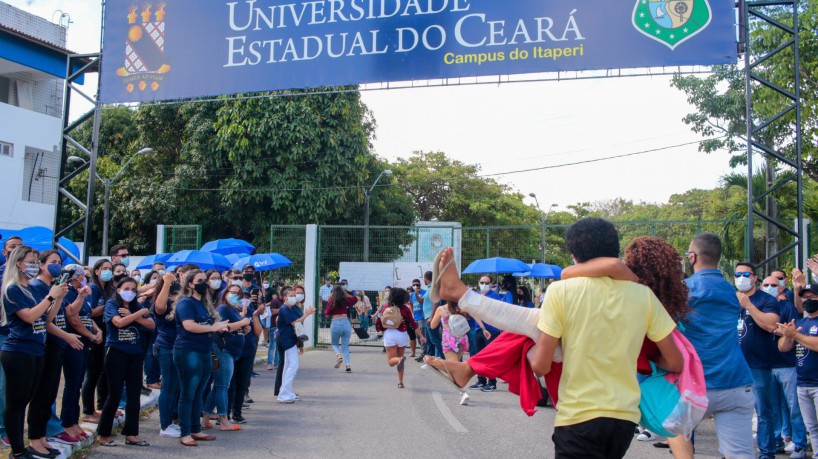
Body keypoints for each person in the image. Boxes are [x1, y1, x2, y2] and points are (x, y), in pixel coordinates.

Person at [427, 218, 682, 458]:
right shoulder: (644, 296)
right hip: (623, 420)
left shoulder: (562, 291)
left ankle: (462, 297)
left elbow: (540, 365)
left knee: (529, 331)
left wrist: (532, 354)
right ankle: (462, 302)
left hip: (578, 417)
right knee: (530, 326)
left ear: (574, 256)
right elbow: (675, 362)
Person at [682, 233, 756, 458]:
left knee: (681, 446)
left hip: (694, 385)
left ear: (692, 257)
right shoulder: (733, 293)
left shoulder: (683, 290)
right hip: (736, 381)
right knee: (740, 454)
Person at [1, 246, 67, 459]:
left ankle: (28, 445)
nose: (34, 265)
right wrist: (50, 297)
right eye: (30, 261)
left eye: (35, 261)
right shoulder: (13, 289)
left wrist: (56, 298)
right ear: (19, 263)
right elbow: (29, 317)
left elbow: (46, 319)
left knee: (28, 399)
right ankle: (18, 451)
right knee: (17, 403)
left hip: (37, 349)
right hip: (19, 350)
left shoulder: (28, 287)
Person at [735, 262, 799, 459]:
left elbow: (771, 325)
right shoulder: (730, 299)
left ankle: (766, 453)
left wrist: (748, 306)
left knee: (764, 412)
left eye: (746, 274)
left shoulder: (766, 300)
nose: (741, 277)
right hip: (735, 366)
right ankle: (735, 452)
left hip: (759, 365)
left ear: (755, 277)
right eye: (737, 274)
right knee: (734, 414)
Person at [29, 251, 85, 447]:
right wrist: (66, 336)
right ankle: (38, 437)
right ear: (41, 265)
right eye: (53, 262)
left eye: (60, 262)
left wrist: (60, 296)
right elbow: (43, 320)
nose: (57, 266)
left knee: (51, 393)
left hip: (58, 345)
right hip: (47, 344)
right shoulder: (36, 287)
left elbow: (57, 315)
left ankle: (45, 435)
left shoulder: (56, 287)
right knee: (42, 394)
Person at [96, 277, 154, 447]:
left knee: (134, 395)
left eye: (133, 289)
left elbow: (150, 324)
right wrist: (137, 315)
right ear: (118, 290)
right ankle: (104, 433)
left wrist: (134, 315)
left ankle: (131, 433)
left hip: (135, 354)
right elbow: (118, 323)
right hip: (116, 353)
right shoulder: (112, 305)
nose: (130, 292)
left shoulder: (137, 306)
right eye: (126, 288)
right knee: (114, 394)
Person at [174, 270, 229, 447]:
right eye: (200, 281)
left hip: (204, 349)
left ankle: (195, 428)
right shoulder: (185, 303)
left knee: (199, 392)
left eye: (205, 280)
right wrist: (213, 328)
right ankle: (185, 433)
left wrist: (217, 328)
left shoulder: (204, 303)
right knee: (188, 393)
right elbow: (189, 326)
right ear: (190, 284)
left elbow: (206, 325)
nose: (204, 283)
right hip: (188, 351)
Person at [62, 265, 103, 441]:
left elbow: (88, 317)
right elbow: (73, 317)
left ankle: (74, 420)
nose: (85, 278)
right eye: (82, 275)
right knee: (72, 383)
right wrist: (90, 335)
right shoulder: (70, 293)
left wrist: (97, 330)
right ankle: (67, 423)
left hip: (86, 342)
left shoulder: (82, 293)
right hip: (75, 342)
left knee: (78, 382)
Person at [203, 284, 251, 432]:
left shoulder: (233, 310)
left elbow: (234, 328)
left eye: (239, 293)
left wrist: (243, 327)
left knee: (218, 385)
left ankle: (205, 418)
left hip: (228, 351)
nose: (236, 295)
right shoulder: (223, 308)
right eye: (233, 292)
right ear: (225, 293)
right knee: (223, 385)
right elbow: (223, 327)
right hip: (222, 351)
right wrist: (243, 322)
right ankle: (223, 419)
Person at [779, 284, 818, 458]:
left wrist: (795, 335)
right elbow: (783, 348)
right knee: (812, 427)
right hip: (803, 383)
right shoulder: (801, 322)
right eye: (805, 297)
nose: (808, 300)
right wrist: (788, 335)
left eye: (812, 297)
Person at [82, 258, 114, 423]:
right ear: (97, 271)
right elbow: (89, 312)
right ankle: (88, 410)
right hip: (95, 334)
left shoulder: (108, 289)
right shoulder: (93, 288)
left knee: (103, 371)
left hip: (106, 334)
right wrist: (108, 306)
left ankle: (102, 406)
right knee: (92, 373)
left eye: (110, 268)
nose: (108, 271)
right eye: (105, 268)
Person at [151, 272, 181, 438]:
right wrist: (167, 282)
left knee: (174, 387)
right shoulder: (162, 303)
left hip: (178, 348)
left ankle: (169, 422)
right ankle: (164, 425)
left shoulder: (178, 303)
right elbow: (160, 307)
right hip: (166, 347)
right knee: (168, 387)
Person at [375, 288, 426, 389]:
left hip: (389, 334)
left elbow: (381, 321)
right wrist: (421, 336)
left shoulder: (386, 307)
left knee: (391, 361)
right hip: (402, 335)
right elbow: (413, 323)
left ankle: (399, 359)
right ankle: (400, 382)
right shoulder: (405, 309)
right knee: (400, 362)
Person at [277, 288, 315, 402]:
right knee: (293, 365)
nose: (295, 297)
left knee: (288, 366)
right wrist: (307, 314)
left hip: (292, 339)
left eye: (295, 295)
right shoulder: (284, 309)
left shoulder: (292, 308)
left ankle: (286, 392)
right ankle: (283, 394)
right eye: (292, 295)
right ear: (285, 298)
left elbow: (298, 320)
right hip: (287, 340)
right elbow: (295, 323)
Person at [429, 300, 470, 405]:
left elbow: (433, 326)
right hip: (462, 339)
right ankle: (436, 363)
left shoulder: (441, 309)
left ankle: (463, 393)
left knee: (453, 369)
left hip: (449, 340)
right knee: (457, 365)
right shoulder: (462, 307)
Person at [469, 275, 503, 393]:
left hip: (491, 330)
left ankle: (492, 382)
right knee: (479, 356)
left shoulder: (494, 297)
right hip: (478, 329)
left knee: (490, 357)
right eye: (482, 282)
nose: (484, 285)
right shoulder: (476, 295)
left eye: (486, 283)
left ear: (491, 284)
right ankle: (481, 380)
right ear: (479, 282)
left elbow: (497, 313)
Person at [325, 285, 357, 372]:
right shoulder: (345, 299)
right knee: (345, 346)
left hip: (335, 323)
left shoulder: (331, 300)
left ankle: (339, 356)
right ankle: (348, 366)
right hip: (346, 322)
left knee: (334, 344)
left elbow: (327, 313)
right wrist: (346, 293)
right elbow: (355, 299)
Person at [409, 279, 425, 358]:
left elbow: (423, 302)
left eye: (417, 285)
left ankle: (424, 352)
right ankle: (422, 351)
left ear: (420, 285)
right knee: (418, 335)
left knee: (422, 334)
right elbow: (411, 304)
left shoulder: (424, 292)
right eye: (414, 285)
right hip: (415, 317)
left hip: (422, 317)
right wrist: (412, 313)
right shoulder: (411, 294)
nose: (416, 286)